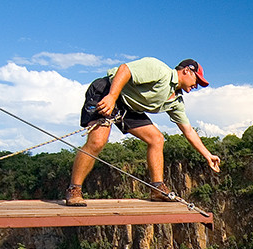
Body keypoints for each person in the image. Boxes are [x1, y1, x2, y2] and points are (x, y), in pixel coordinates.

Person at [65, 57, 221, 206]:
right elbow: (125, 70)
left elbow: (188, 130)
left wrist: (208, 155)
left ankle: (157, 189)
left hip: (129, 107)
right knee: (97, 141)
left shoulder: (176, 101)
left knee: (157, 139)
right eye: (197, 80)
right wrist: (112, 97)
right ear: (187, 71)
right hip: (107, 91)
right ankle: (74, 189)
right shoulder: (160, 70)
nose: (196, 85)